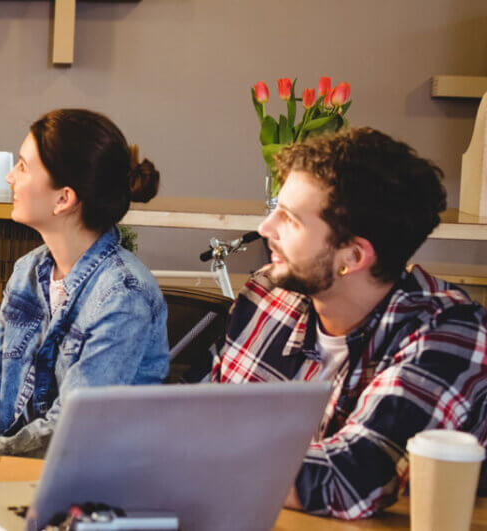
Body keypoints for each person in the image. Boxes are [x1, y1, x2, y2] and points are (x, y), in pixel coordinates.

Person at [205, 127, 487, 520]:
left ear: (352, 257)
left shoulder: (447, 333)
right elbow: (200, 419)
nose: (266, 229)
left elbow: (349, 479)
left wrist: (196, 457)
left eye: (289, 219)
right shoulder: (266, 293)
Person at [0, 108, 168, 456]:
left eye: (23, 166)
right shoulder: (29, 270)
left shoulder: (123, 296)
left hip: (93, 483)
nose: (10, 177)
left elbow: (70, 430)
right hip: (21, 472)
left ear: (63, 198)